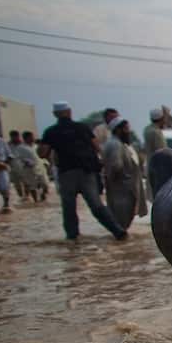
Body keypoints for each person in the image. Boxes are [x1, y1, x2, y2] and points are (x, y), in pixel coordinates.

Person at [39, 101, 127, 241]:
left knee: (69, 208)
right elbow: (97, 148)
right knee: (97, 205)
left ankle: (72, 237)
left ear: (55, 114)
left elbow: (42, 153)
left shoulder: (51, 131)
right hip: (87, 172)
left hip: (66, 173)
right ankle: (118, 231)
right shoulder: (82, 128)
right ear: (69, 112)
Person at [101, 117, 147, 231]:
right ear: (118, 130)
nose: (129, 132)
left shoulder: (120, 144)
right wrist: (124, 180)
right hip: (122, 190)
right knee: (121, 222)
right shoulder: (115, 145)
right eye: (126, 129)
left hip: (125, 189)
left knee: (124, 221)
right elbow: (116, 167)